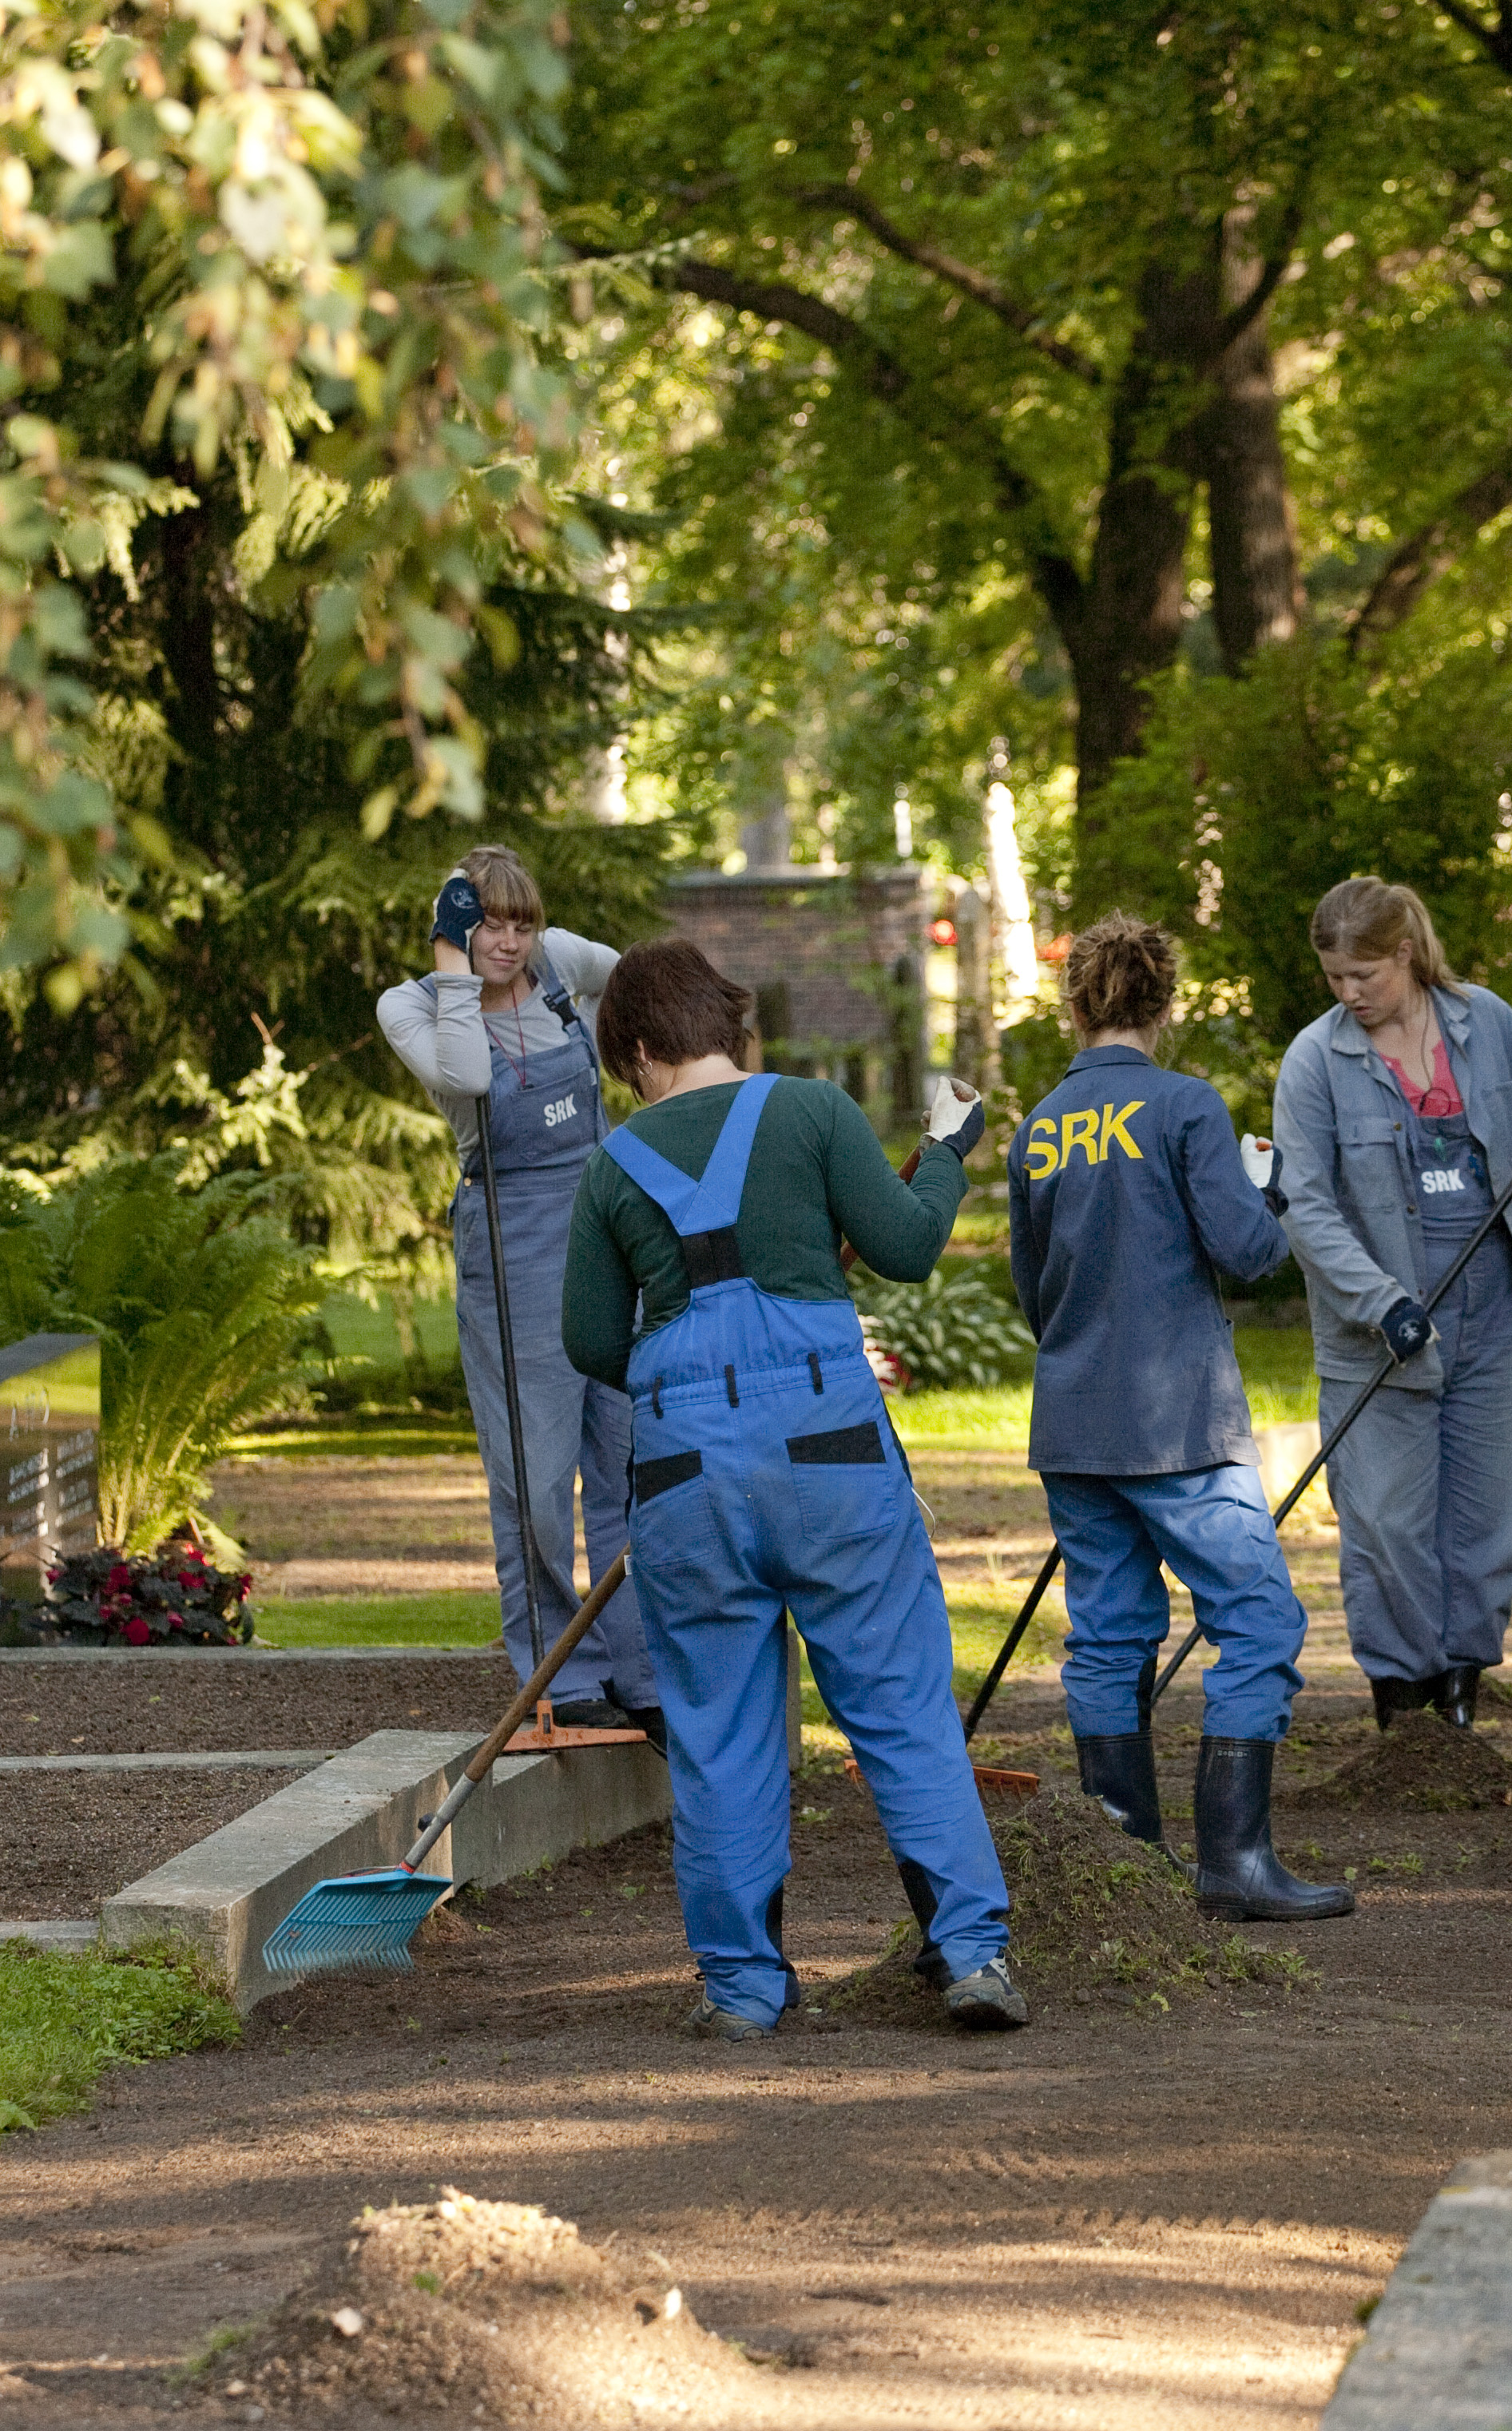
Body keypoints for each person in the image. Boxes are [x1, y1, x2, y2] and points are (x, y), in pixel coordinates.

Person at [561, 934, 1024, 2041]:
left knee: (719, 1728)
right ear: (733, 1025)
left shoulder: (612, 1165)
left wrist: (690, 1387)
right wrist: (948, 1146)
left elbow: (588, 1337)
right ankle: (968, 1954)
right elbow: (905, 1247)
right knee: (900, 1703)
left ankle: (742, 1990)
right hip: (829, 1456)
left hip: (683, 1478)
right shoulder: (812, 1114)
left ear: (635, 1051)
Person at [1008, 912, 1352, 1927]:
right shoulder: (1185, 1109)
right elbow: (1247, 1253)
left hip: (1073, 1421)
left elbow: (1034, 1290)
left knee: (1108, 1638)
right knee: (1257, 1620)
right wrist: (1267, 1187)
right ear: (1165, 1005)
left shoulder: (1039, 1127)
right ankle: (1233, 1862)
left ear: (1074, 1007)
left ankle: (1123, 1866)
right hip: (1180, 1428)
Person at [1272, 876, 1512, 1734]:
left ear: (1405, 956)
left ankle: (1460, 1697)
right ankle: (1401, 1712)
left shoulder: (1482, 1022)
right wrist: (1379, 1303)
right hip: (1379, 1332)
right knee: (1384, 1524)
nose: (1348, 994)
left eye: (1363, 976)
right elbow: (1303, 1204)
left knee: (1489, 1519)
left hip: (1491, 1313)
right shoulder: (1314, 1061)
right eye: (1334, 978)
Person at [377, 845, 660, 1741]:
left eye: (519, 922)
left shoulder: (562, 967)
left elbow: (642, 984)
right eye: (485, 924)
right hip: (513, 1246)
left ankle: (642, 1667)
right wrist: (451, 962)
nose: (508, 941)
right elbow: (464, 1076)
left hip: (607, 1233)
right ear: (453, 928)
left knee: (624, 1457)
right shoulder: (414, 1006)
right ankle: (558, 1666)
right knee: (536, 1478)